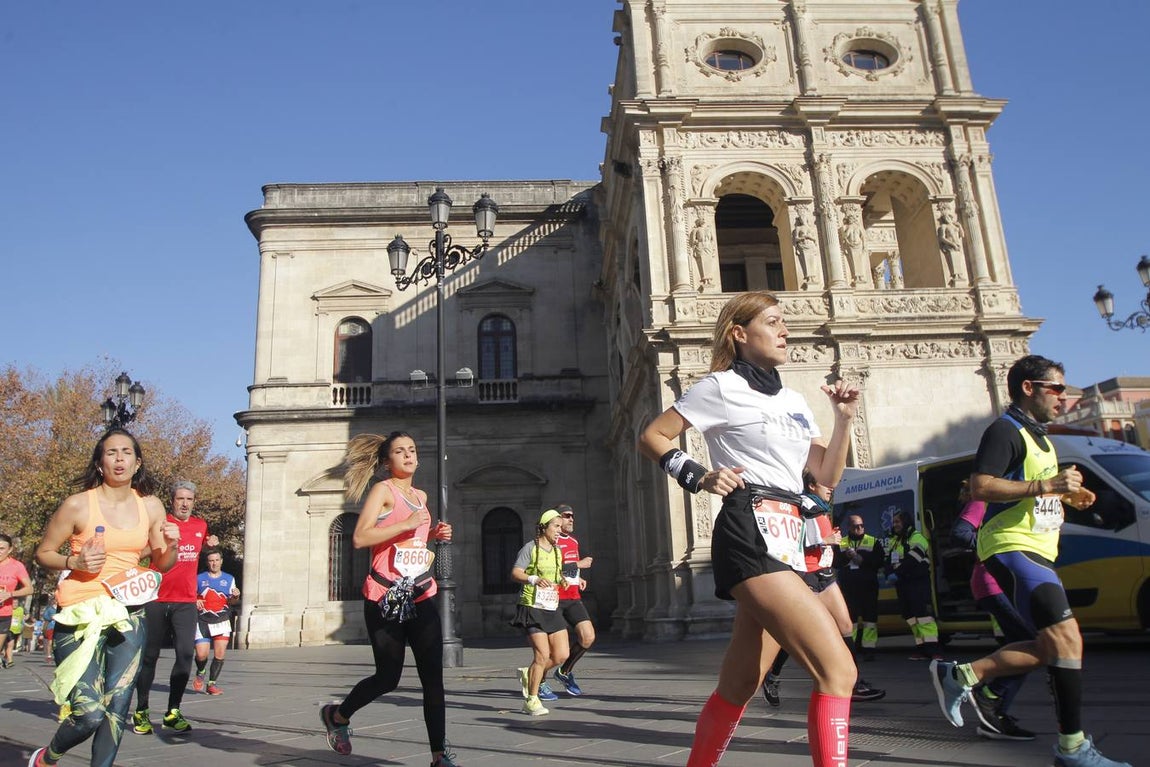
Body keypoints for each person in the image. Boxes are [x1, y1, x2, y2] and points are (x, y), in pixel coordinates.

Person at [638, 290, 860, 767]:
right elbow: (652, 436)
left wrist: (843, 421)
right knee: (838, 670)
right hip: (749, 529)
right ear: (740, 333)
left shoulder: (796, 399)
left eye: (784, 323)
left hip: (792, 535)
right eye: (774, 322)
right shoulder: (717, 387)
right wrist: (697, 475)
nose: (785, 331)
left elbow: (825, 476)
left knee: (739, 684)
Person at [930, 354, 1131, 767]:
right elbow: (980, 484)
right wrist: (1046, 484)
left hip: (1036, 549)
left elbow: (1035, 495)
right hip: (1009, 546)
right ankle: (1072, 749)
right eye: (1055, 388)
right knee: (1067, 639)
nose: (1062, 397)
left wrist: (1068, 496)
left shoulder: (1041, 438)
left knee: (1052, 646)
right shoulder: (1005, 430)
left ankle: (962, 675)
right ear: (1029, 387)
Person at [28, 428, 179, 767]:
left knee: (117, 706)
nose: (119, 458)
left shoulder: (151, 506)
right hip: (79, 611)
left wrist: (172, 545)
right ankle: (47, 758)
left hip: (129, 611)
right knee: (89, 713)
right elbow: (44, 553)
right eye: (111, 452)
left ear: (137, 463)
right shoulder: (78, 504)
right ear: (99, 463)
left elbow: (162, 563)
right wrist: (73, 561)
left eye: (127, 452)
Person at [318, 432, 459, 767]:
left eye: (412, 449)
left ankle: (439, 756)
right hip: (386, 597)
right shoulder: (383, 491)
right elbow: (360, 537)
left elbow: (413, 545)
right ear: (387, 461)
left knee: (433, 680)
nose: (408, 455)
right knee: (388, 677)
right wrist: (406, 524)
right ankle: (338, 716)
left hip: (421, 593)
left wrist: (434, 534)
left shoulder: (421, 496)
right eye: (400, 451)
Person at [761, 472, 884, 708]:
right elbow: (795, 539)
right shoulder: (802, 504)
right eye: (826, 483)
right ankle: (773, 676)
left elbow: (825, 543)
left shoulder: (821, 506)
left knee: (846, 626)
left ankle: (853, 683)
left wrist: (833, 546)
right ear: (811, 485)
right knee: (796, 635)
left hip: (825, 573)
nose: (831, 487)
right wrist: (827, 539)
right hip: (807, 574)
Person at [950, 480, 1036, 741]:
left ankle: (993, 707)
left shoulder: (1005, 503)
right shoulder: (982, 500)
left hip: (1006, 582)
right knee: (1030, 645)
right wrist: (993, 545)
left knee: (1025, 644)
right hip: (991, 583)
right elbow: (961, 533)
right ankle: (987, 694)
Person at [133, 480, 213, 735]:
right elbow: (140, 552)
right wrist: (163, 541)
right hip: (156, 599)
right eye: (180, 499)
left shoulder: (201, 526)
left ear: (194, 502)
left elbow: (201, 549)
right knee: (150, 656)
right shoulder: (160, 523)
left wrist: (213, 543)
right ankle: (142, 710)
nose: (185, 503)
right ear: (172, 501)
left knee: (186, 654)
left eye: (189, 499)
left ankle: (173, 711)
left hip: (186, 601)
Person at [511, 509, 570, 716]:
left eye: (560, 527)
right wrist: (533, 579)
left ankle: (531, 673)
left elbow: (557, 573)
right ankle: (532, 700)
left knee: (562, 654)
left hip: (551, 608)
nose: (559, 531)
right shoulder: (530, 548)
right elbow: (516, 572)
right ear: (543, 527)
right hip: (531, 607)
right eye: (556, 526)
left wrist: (562, 580)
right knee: (542, 655)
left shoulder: (556, 551)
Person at [550, 503, 595, 697]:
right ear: (557, 519)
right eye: (567, 516)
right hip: (555, 598)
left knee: (588, 637)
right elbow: (551, 568)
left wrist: (579, 578)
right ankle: (538, 681)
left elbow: (568, 570)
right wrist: (579, 564)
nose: (571, 519)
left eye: (572, 516)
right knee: (556, 652)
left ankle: (564, 672)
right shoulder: (551, 541)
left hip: (573, 596)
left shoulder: (573, 542)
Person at [885, 509, 940, 660]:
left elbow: (914, 558)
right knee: (911, 617)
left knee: (924, 617)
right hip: (903, 585)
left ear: (905, 522)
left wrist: (898, 573)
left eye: (898, 521)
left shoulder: (917, 537)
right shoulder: (894, 540)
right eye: (894, 522)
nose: (895, 524)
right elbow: (888, 560)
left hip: (917, 583)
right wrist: (888, 573)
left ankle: (933, 650)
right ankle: (921, 649)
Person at [192, 548, 240, 695]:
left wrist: (236, 596)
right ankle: (201, 671)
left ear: (221, 561)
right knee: (201, 654)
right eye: (211, 561)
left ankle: (212, 684)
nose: (214, 563)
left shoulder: (229, 578)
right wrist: (195, 600)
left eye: (217, 560)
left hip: (222, 619)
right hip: (202, 620)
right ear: (207, 563)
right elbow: (190, 595)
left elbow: (232, 601)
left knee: (220, 653)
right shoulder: (199, 578)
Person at [837, 514, 883, 661]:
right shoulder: (842, 543)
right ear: (849, 527)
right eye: (856, 526)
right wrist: (847, 556)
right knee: (852, 620)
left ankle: (869, 649)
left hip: (868, 586)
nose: (859, 528)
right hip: (848, 587)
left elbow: (878, 561)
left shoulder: (873, 541)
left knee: (870, 618)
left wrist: (861, 559)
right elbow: (834, 562)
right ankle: (852, 649)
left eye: (862, 526)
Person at [42, 598, 58, 663]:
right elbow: (45, 616)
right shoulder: (50, 609)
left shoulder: (62, 608)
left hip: (59, 627)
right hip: (51, 627)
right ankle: (49, 656)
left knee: (57, 643)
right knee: (50, 642)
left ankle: (56, 655)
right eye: (56, 600)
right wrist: (50, 618)